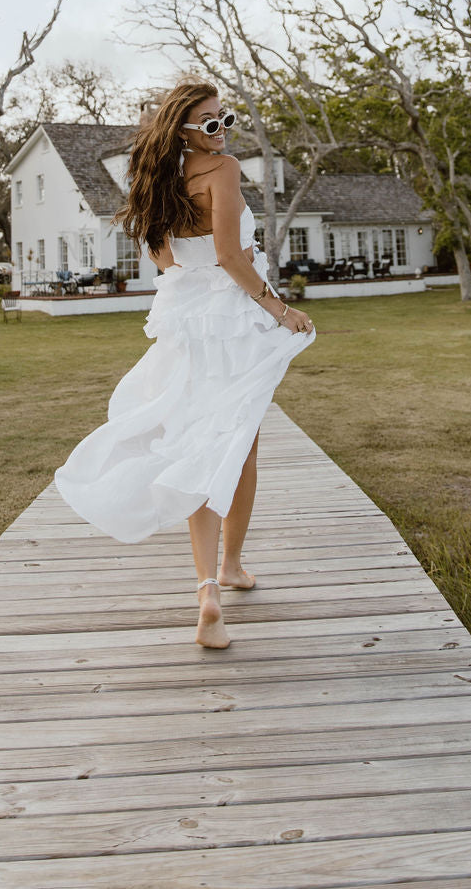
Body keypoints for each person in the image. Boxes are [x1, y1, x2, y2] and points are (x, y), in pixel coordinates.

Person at [54, 79, 316, 649]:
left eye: (226, 120)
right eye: (212, 122)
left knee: (199, 439)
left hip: (184, 316)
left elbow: (165, 259)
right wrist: (278, 306)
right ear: (185, 129)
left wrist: (202, 278)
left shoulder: (158, 179)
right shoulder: (220, 172)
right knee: (238, 443)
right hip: (228, 318)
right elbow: (228, 255)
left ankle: (208, 589)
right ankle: (231, 567)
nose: (224, 132)